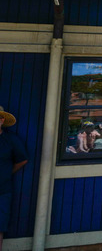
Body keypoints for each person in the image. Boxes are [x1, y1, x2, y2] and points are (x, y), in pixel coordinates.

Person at [0, 106, 28, 251]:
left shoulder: (10, 140)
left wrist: (6, 173)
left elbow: (22, 160)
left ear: (2, 120)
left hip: (2, 191)